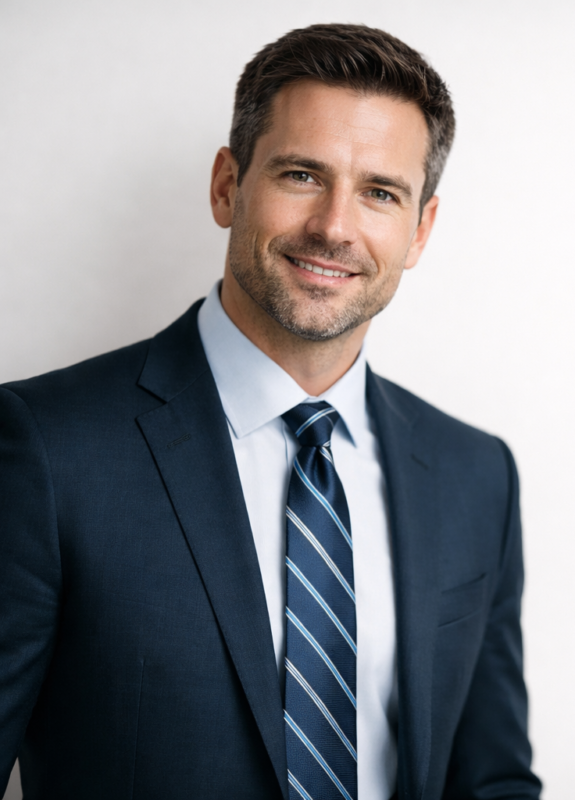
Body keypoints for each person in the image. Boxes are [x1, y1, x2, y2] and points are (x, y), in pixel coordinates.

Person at [0, 23, 539, 800]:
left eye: (380, 192)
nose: (334, 227)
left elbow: (490, 781)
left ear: (419, 229)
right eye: (300, 175)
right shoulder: (45, 450)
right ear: (227, 185)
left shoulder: (475, 476)